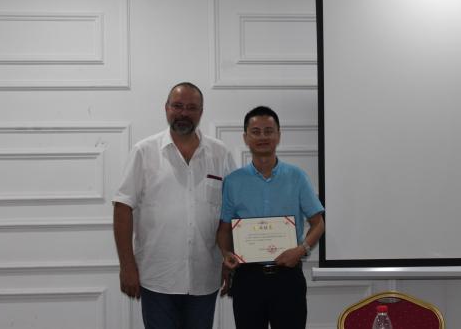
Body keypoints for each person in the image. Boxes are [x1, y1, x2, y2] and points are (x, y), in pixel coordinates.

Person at [113, 82, 236, 329]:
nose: (183, 113)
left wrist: (229, 257)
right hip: (157, 278)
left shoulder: (220, 154)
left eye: (191, 107)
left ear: (201, 112)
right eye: (177, 106)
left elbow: (231, 212)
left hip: (205, 277)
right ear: (166, 108)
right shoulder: (144, 151)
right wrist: (127, 266)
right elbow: (122, 208)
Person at [217, 105, 325, 329]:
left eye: (268, 131)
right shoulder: (233, 181)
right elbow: (224, 229)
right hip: (248, 279)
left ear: (278, 135)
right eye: (256, 132)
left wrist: (301, 250)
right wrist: (226, 254)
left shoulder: (297, 177)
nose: (262, 137)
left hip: (288, 277)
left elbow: (318, 224)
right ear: (246, 137)